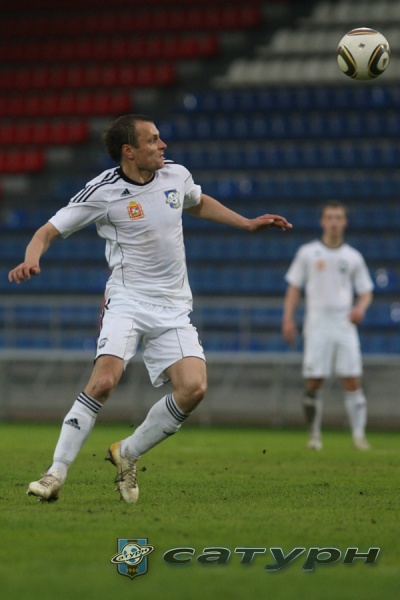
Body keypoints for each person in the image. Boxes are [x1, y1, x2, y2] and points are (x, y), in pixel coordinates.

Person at [8, 114, 292, 504]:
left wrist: (245, 223)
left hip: (173, 306)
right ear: (129, 151)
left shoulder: (176, 175)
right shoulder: (103, 191)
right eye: (153, 140)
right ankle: (55, 473)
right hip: (127, 300)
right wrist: (31, 258)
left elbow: (196, 202)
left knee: (194, 388)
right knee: (104, 382)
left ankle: (128, 452)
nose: (163, 146)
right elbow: (47, 231)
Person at [282, 201, 373, 451]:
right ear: (322, 222)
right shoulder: (308, 253)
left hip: (344, 325)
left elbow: (366, 291)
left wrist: (360, 309)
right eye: (330, 217)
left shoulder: (353, 257)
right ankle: (314, 435)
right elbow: (294, 288)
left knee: (352, 380)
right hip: (317, 325)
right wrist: (288, 319)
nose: (334, 222)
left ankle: (359, 436)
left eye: (338, 218)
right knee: (314, 381)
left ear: (345, 222)